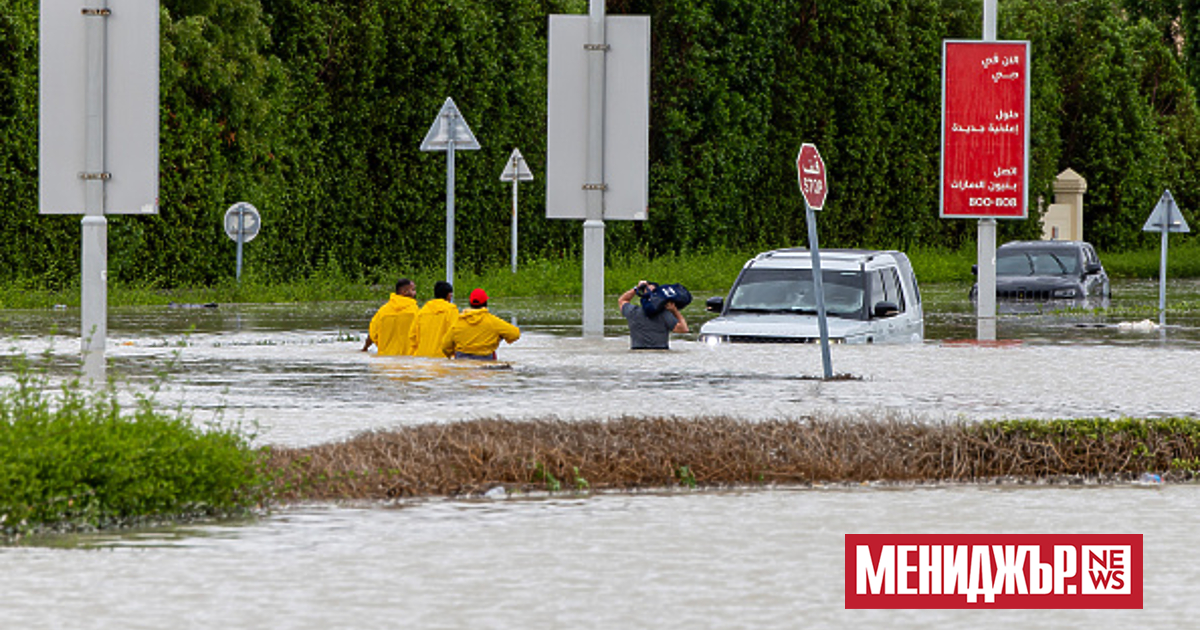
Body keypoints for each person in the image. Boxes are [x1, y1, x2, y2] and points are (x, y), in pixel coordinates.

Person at [440, 288, 521, 360]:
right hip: (486, 364)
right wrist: (499, 337)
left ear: (470, 303)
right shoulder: (492, 321)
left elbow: (445, 347)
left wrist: (451, 354)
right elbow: (515, 334)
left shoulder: (458, 322)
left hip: (462, 365)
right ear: (486, 303)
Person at [619, 280, 688, 350]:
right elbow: (684, 329)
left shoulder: (632, 312)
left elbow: (622, 300)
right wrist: (675, 311)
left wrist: (636, 288)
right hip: (661, 353)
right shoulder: (665, 315)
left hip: (637, 352)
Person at [362, 278, 419, 356]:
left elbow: (372, 334)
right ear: (404, 292)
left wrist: (365, 348)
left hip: (384, 361)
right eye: (413, 289)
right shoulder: (415, 311)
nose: (415, 292)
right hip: (408, 360)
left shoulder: (383, 311)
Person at [409, 280, 460, 358]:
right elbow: (456, 334)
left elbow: (412, 336)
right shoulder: (451, 310)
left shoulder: (423, 310)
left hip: (422, 357)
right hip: (443, 358)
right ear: (449, 295)